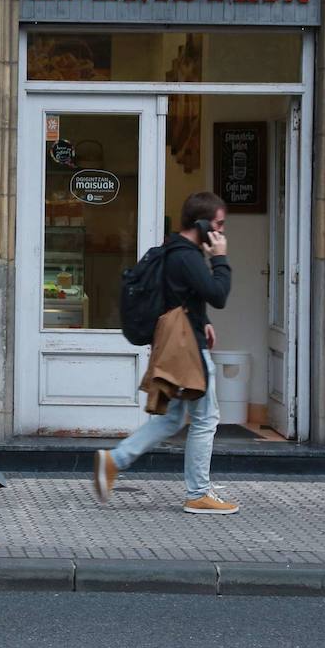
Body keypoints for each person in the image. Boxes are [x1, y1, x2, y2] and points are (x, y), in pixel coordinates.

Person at [92, 191, 238, 514]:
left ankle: (113, 461)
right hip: (189, 352)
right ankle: (198, 493)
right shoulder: (187, 256)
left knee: (171, 419)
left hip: (178, 343)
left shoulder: (174, 250)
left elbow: (183, 296)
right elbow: (218, 294)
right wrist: (221, 259)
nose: (221, 232)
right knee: (205, 419)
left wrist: (205, 321)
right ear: (201, 223)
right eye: (218, 224)